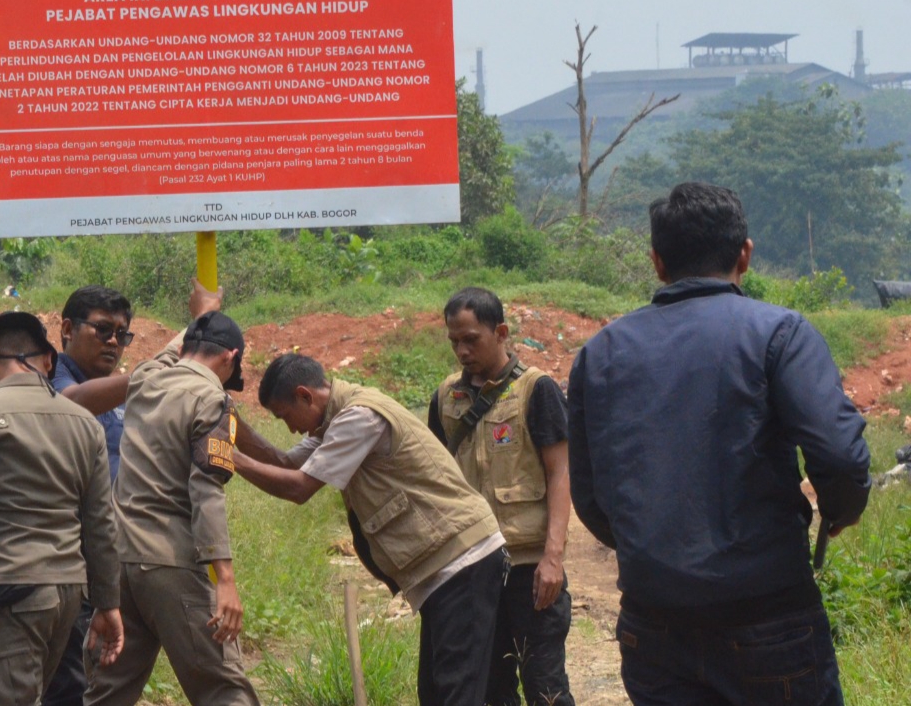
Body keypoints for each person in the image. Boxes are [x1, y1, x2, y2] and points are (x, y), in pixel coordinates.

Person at [567, 181, 872, 706]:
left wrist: (654, 549)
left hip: (653, 624)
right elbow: (840, 453)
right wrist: (840, 511)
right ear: (745, 255)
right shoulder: (780, 333)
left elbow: (590, 494)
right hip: (768, 616)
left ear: (658, 262)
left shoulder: (600, 354)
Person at [233, 354, 507, 706]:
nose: (290, 429)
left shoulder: (359, 417)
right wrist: (236, 429)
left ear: (305, 396)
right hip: (446, 566)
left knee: (457, 693)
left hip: (462, 560)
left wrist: (229, 457)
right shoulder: (334, 421)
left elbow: (298, 487)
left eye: (286, 417)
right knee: (439, 692)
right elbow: (284, 463)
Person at [84, 287, 264, 706]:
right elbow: (206, 489)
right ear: (230, 359)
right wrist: (227, 582)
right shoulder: (211, 398)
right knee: (224, 689)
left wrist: (202, 315)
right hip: (169, 564)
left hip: (119, 567)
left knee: (108, 692)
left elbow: (172, 353)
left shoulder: (147, 378)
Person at [0, 311, 125, 705]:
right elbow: (100, 524)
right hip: (68, 594)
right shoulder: (85, 423)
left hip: (12, 589)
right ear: (47, 361)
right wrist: (108, 603)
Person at [44, 284, 207, 706]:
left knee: (102, 686)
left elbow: (153, 370)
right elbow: (73, 403)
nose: (113, 341)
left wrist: (198, 323)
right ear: (66, 329)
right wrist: (149, 374)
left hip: (110, 568)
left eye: (122, 334)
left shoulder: (116, 391)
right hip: (69, 568)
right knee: (71, 688)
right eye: (102, 330)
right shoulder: (52, 382)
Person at [427, 287, 574, 706]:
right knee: (490, 689)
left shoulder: (535, 389)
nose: (462, 350)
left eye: (471, 339)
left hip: (528, 569)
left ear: (502, 332)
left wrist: (553, 558)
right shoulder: (445, 397)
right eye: (454, 340)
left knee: (546, 686)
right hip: (471, 569)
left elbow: (560, 473)